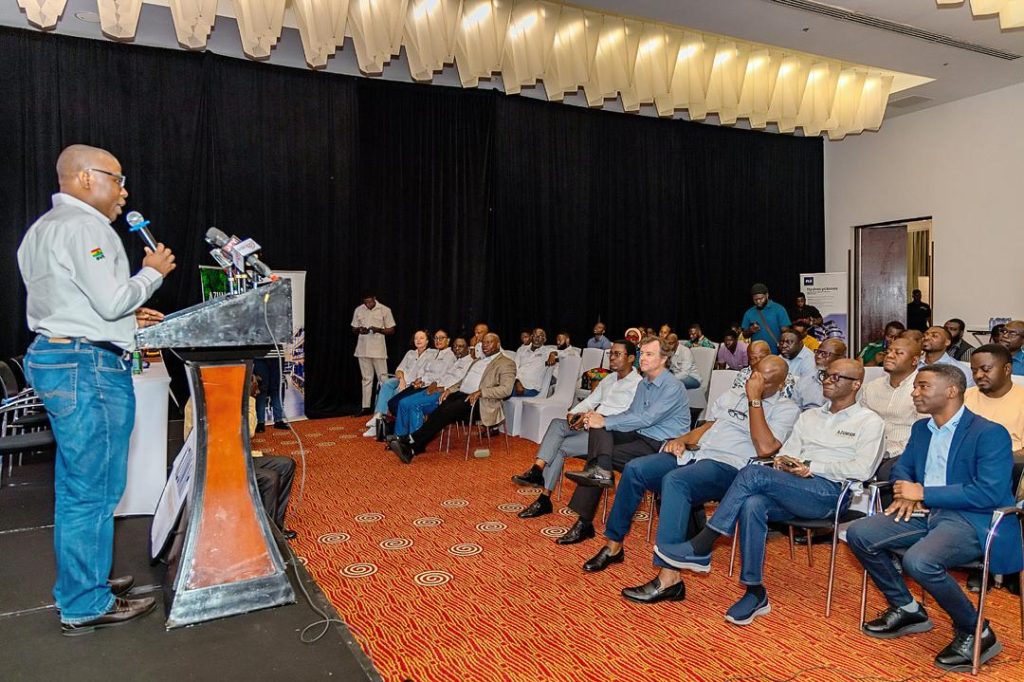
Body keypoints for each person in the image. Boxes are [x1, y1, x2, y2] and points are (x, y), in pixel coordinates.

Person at [18, 144, 176, 635]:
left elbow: (74, 303)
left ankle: (83, 583)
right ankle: (85, 602)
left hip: (60, 356)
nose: (124, 192)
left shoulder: (42, 229)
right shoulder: (87, 226)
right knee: (94, 490)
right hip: (87, 366)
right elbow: (109, 302)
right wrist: (152, 273)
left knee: (77, 487)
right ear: (86, 177)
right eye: (117, 179)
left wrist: (126, 319)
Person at [649, 359, 884, 625]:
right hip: (795, 486)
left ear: (856, 384)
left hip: (831, 493)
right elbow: (786, 453)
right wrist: (787, 462)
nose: (828, 380)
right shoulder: (809, 417)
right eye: (826, 375)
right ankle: (754, 592)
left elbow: (863, 469)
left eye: (837, 377)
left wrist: (811, 467)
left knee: (752, 472)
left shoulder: (869, 421)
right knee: (754, 504)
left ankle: (702, 545)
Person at [846, 364, 1022, 673]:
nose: (914, 393)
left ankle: (976, 630)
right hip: (926, 512)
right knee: (859, 533)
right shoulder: (921, 429)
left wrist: (923, 493)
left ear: (951, 391)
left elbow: (989, 492)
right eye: (915, 386)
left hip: (974, 519)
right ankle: (906, 607)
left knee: (920, 561)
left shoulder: (989, 433)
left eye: (923, 386)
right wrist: (905, 491)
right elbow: (903, 468)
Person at [588, 357, 798, 578]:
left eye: (765, 380)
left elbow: (765, 448)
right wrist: (682, 439)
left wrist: (754, 400)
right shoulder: (733, 395)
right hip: (697, 455)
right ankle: (614, 546)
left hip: (730, 467)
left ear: (781, 385)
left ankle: (669, 576)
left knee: (675, 481)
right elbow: (709, 427)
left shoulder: (786, 409)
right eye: (755, 374)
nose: (756, 381)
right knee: (635, 469)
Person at [557, 336, 689, 544]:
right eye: (641, 353)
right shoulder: (644, 383)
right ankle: (599, 474)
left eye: (649, 354)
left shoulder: (673, 386)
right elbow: (631, 414)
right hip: (640, 437)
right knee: (599, 431)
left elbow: (646, 418)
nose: (642, 358)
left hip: (662, 446)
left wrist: (606, 420)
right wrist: (600, 419)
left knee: (599, 448)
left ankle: (585, 521)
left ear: (664, 359)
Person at [511, 341, 641, 518]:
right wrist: (573, 413)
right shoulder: (610, 378)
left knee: (559, 447)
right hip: (590, 425)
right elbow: (590, 401)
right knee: (557, 424)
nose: (612, 357)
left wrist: (592, 418)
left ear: (631, 358)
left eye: (617, 354)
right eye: (611, 353)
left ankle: (543, 495)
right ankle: (537, 471)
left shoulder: (638, 385)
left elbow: (627, 418)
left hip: (607, 436)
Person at [388, 333, 515, 463]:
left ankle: (411, 443)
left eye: (489, 342)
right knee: (441, 407)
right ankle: (413, 444)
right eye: (484, 343)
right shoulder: (478, 361)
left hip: (481, 402)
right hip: (461, 395)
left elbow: (506, 389)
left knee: (447, 411)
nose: (485, 345)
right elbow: (462, 381)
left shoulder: (506, 363)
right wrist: (449, 390)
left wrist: (481, 392)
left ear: (498, 344)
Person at [965, 344, 1024, 492]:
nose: (978, 375)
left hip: (1008, 472)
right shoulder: (963, 397)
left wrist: (988, 460)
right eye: (974, 371)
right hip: (963, 468)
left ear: (1007, 369)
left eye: (985, 369)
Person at [392, 337, 472, 437]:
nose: (457, 349)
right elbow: (444, 376)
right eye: (455, 346)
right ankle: (399, 436)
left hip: (446, 394)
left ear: (467, 348)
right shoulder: (456, 361)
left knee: (413, 405)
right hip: (434, 387)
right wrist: (434, 383)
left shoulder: (470, 363)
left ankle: (414, 439)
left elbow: (462, 383)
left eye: (460, 346)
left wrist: (443, 388)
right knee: (403, 402)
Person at [363, 330, 437, 436]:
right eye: (416, 338)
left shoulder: (432, 353)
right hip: (401, 380)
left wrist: (410, 385)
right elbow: (399, 370)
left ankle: (379, 424)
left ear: (427, 341)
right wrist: (402, 380)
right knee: (387, 383)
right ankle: (378, 417)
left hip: (415, 385)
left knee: (393, 395)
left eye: (421, 338)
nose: (418, 340)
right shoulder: (410, 353)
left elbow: (431, 373)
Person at [861, 337, 924, 459]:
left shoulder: (924, 389)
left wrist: (887, 453)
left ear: (914, 360)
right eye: (888, 351)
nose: (889, 356)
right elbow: (861, 421)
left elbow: (923, 433)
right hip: (867, 450)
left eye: (899, 353)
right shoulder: (872, 386)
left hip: (904, 454)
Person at [351, 292, 396, 415]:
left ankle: (384, 408)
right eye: (365, 302)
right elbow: (353, 328)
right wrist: (359, 330)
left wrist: (379, 330)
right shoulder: (359, 310)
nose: (368, 304)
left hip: (378, 350)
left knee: (383, 379)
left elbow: (392, 330)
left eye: (370, 301)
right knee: (366, 379)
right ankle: (365, 407)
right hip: (362, 349)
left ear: (375, 298)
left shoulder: (384, 310)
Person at [793, 339, 846, 410]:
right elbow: (794, 408)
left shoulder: (847, 383)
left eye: (825, 354)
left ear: (841, 358)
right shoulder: (804, 380)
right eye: (817, 352)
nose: (819, 356)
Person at [741, 283, 790, 354]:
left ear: (767, 295)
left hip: (776, 353)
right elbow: (744, 335)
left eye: (761, 299)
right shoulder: (748, 313)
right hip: (757, 354)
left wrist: (783, 346)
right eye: (755, 299)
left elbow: (786, 332)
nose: (758, 301)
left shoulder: (779, 309)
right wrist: (750, 330)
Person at [513, 327, 556, 397]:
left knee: (501, 392)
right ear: (531, 337)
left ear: (544, 339)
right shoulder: (521, 350)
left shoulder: (547, 351)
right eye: (535, 335)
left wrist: (553, 354)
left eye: (540, 336)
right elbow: (514, 367)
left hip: (531, 388)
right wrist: (517, 382)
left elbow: (566, 353)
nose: (537, 338)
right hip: (515, 383)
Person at [253, 357, 287, 433]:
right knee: (262, 388)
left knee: (276, 389)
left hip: (276, 356)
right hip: (260, 356)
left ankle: (278, 420)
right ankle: (260, 422)